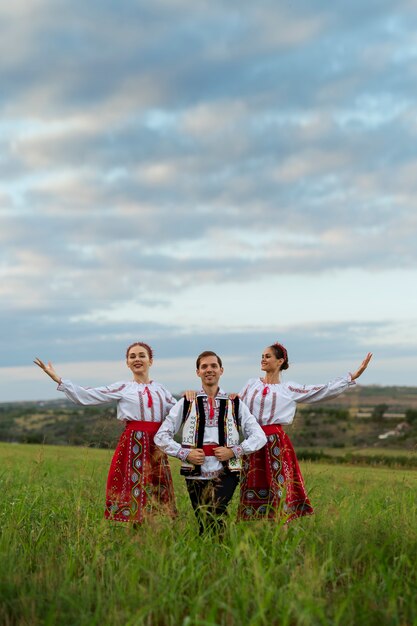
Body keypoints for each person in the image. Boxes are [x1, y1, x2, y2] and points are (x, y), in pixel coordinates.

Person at [34, 342, 177, 524]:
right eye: (132, 356)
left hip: (156, 443)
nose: (137, 359)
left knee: (157, 486)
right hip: (134, 443)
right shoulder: (123, 388)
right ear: (127, 363)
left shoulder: (161, 390)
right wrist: (59, 380)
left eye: (142, 355)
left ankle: (159, 529)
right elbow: (89, 395)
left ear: (151, 361)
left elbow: (178, 412)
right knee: (134, 487)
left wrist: (193, 398)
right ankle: (135, 532)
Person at [237, 344, 373, 523]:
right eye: (262, 355)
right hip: (254, 441)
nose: (263, 359)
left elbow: (321, 391)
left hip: (275, 444)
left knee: (278, 488)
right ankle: (251, 531)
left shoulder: (288, 389)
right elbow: (235, 406)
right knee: (252, 482)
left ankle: (280, 533)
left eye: (268, 356)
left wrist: (350, 377)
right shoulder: (251, 384)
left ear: (280, 361)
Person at [154, 351, 267, 535]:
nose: (209, 370)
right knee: (203, 521)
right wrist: (184, 453)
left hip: (226, 470)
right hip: (195, 471)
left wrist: (235, 451)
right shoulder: (187, 403)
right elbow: (161, 436)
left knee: (215, 513)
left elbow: (259, 436)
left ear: (221, 370)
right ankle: (212, 556)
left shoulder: (234, 403)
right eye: (204, 366)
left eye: (213, 366)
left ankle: (219, 555)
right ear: (197, 372)